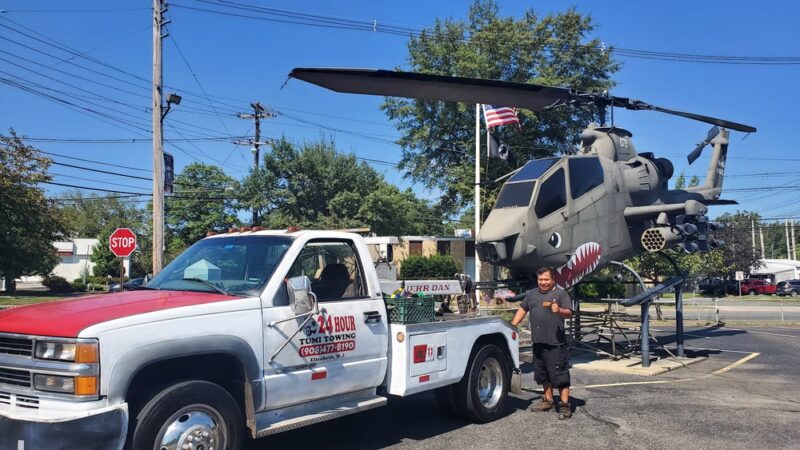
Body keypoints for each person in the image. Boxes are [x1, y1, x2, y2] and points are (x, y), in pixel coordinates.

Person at [511, 266, 573, 419]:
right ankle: (548, 400)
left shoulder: (560, 293)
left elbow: (569, 314)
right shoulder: (532, 294)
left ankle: (565, 405)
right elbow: (522, 309)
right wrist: (512, 326)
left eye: (546, 279)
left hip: (556, 343)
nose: (543, 282)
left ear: (553, 280)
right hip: (538, 342)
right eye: (541, 280)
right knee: (542, 374)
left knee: (561, 375)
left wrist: (559, 310)